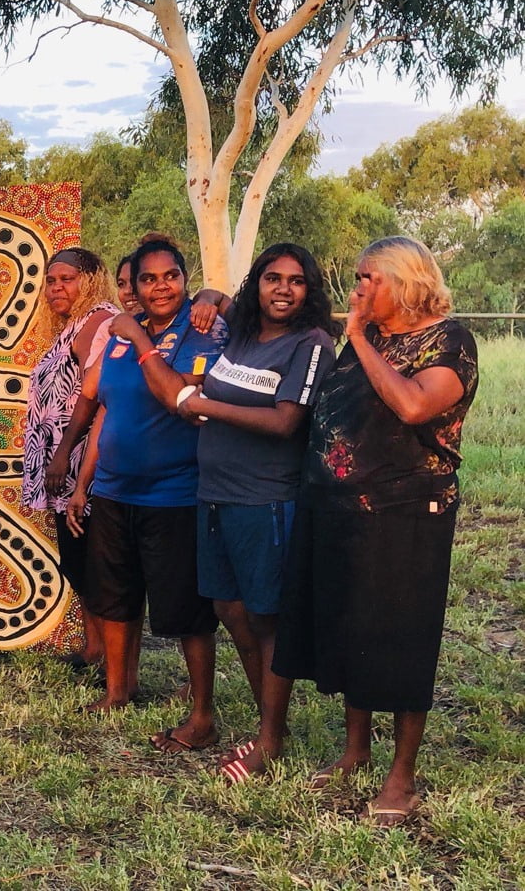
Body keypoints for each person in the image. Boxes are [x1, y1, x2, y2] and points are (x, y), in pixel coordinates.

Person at [272, 236, 477, 826]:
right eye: (358, 278)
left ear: (405, 280)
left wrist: (358, 337)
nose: (357, 290)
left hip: (406, 512)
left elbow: (414, 407)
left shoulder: (449, 339)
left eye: (369, 278)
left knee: (401, 637)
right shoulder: (372, 337)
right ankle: (355, 752)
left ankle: (401, 776)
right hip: (335, 508)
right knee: (347, 629)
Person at [170, 245, 337, 782]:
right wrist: (211, 295)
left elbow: (287, 422)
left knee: (265, 618)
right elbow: (209, 306)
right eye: (272, 278)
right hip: (214, 493)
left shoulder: (311, 345)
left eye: (295, 281)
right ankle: (272, 719)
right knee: (229, 609)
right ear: (257, 285)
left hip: (265, 498)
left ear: (309, 290)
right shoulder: (241, 334)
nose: (283, 289)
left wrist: (201, 404)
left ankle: (269, 740)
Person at [67, 234, 226, 753]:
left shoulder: (201, 330)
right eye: (148, 279)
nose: (161, 287)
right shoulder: (113, 339)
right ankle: (119, 689)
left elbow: (185, 397)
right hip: (114, 490)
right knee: (114, 596)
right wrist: (82, 483)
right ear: (133, 286)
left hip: (174, 493)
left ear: (185, 279)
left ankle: (202, 713)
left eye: (171, 277)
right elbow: (104, 408)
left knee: (185, 610)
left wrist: (140, 334)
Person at [20, 247, 118, 667]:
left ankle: (107, 656)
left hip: (83, 463)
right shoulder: (76, 324)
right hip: (64, 462)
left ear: (91, 281)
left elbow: (95, 398)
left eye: (67, 279)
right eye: (51, 281)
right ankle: (94, 647)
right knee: (77, 560)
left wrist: (62, 457)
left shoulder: (99, 321)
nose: (56, 288)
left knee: (91, 561)